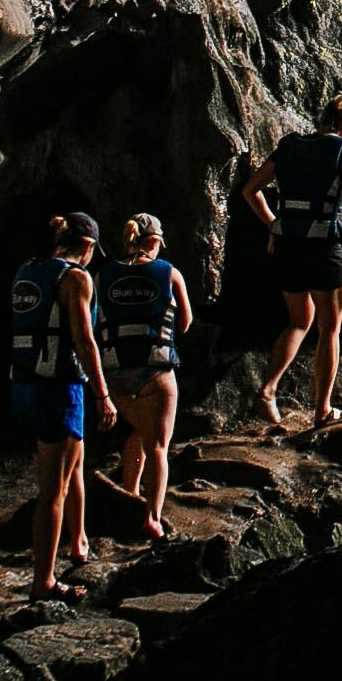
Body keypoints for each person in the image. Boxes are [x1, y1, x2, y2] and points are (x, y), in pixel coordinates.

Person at [241, 90, 342, 432]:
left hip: (287, 247)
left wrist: (274, 224)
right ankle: (323, 410)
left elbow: (250, 189)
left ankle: (268, 390)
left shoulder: (289, 145)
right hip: (323, 249)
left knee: (299, 320)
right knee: (330, 329)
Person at [10, 212, 114, 603]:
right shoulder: (75, 278)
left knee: (75, 465)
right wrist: (103, 395)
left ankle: (78, 542)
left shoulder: (26, 271)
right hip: (59, 388)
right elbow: (84, 341)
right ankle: (44, 581)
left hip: (23, 384)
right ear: (86, 246)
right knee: (53, 490)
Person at [99, 214, 192, 541]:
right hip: (156, 370)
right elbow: (186, 322)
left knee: (138, 431)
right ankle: (151, 517)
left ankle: (130, 495)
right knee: (158, 446)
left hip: (114, 373)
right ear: (154, 242)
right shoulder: (169, 272)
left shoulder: (104, 274)